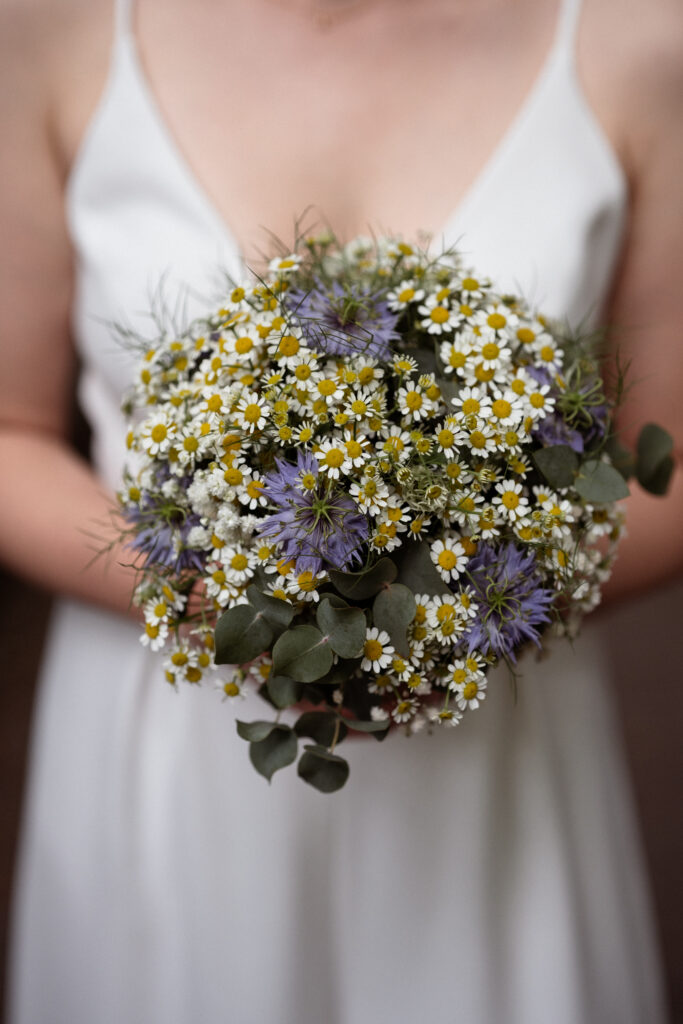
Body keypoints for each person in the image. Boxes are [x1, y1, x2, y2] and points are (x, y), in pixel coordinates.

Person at [2, 0, 681, 1021]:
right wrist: (228, 610)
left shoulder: (643, 37)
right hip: (168, 742)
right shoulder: (49, 26)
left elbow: (665, 457)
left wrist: (457, 616)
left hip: (488, 755)